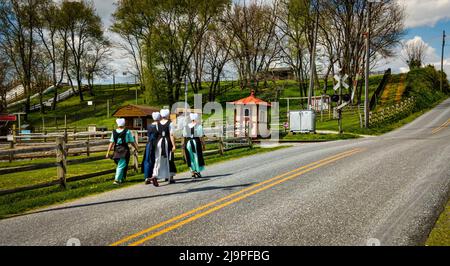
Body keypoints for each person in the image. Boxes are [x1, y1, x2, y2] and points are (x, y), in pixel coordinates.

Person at [106, 118, 139, 185]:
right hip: (124, 149)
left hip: (117, 149)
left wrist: (108, 152)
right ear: (124, 124)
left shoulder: (114, 132)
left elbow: (111, 142)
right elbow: (132, 141)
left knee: (121, 164)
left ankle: (121, 179)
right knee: (121, 165)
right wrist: (136, 148)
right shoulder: (127, 131)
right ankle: (117, 180)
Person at [152, 109, 177, 184]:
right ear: (167, 115)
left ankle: (155, 175)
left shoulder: (157, 123)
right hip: (167, 141)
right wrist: (174, 145)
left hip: (159, 142)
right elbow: (171, 135)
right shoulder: (170, 123)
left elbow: (156, 134)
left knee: (158, 159)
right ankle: (170, 177)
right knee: (169, 158)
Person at [183, 113, 206, 178]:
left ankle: (192, 172)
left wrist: (184, 145)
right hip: (196, 142)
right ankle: (197, 171)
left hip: (188, 143)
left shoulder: (186, 126)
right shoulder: (199, 126)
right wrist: (204, 145)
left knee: (190, 157)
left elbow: (184, 136)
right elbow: (201, 137)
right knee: (196, 156)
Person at [142, 112, 160, 186]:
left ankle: (147, 177)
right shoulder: (159, 126)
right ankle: (154, 175)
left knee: (148, 160)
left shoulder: (149, 126)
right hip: (157, 143)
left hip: (149, 143)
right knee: (156, 159)